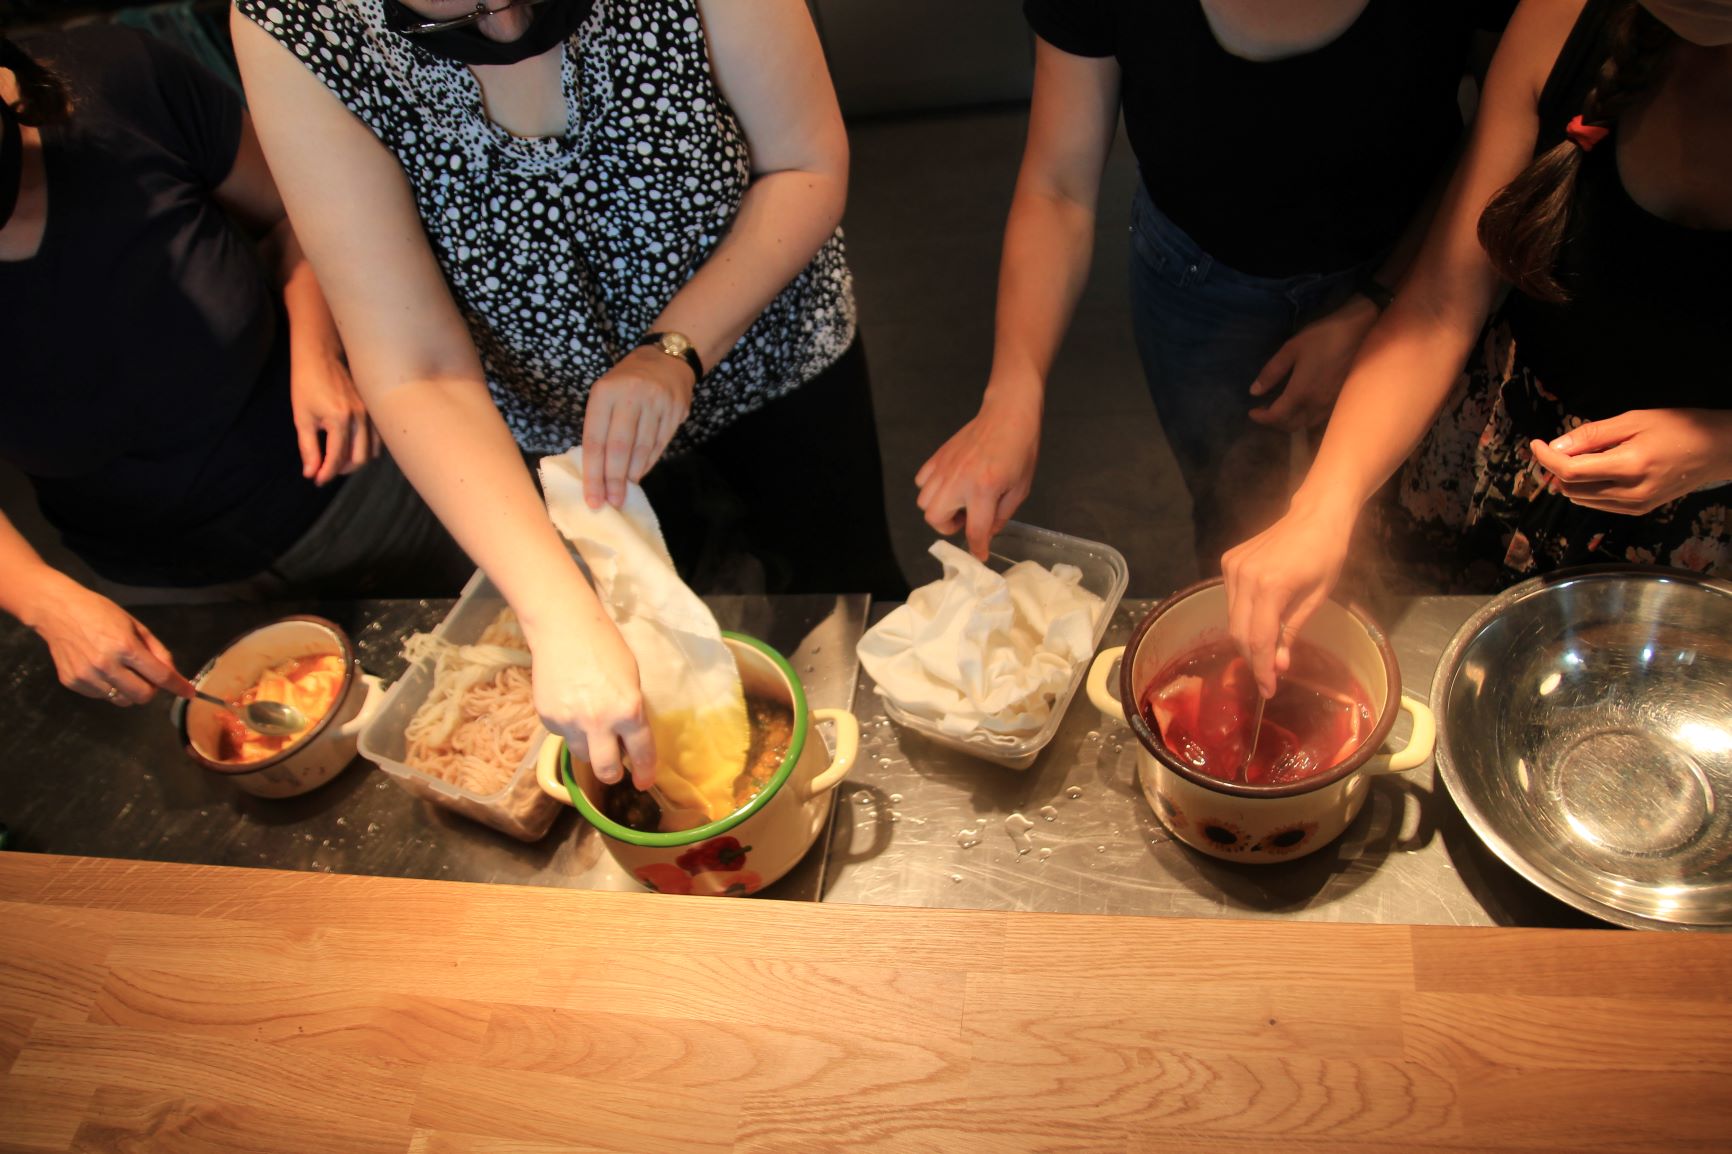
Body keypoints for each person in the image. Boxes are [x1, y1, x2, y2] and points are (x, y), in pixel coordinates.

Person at [231, 0, 904, 789]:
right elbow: (416, 368)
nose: (505, 29)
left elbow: (804, 164)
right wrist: (557, 612)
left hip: (776, 358)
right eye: (463, 15)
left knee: (848, 617)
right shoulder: (297, 22)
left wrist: (675, 349)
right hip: (566, 440)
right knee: (652, 671)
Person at [1224, 0, 1732, 698]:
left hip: (1695, 528)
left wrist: (1718, 447)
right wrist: (1322, 506)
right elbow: (1440, 304)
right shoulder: (1562, 21)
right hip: (1487, 454)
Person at [915, 1, 1501, 569]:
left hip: (1415, 267)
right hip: (1193, 278)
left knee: (1381, 529)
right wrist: (1012, 394)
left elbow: (1502, 140)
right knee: (1230, 516)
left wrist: (1380, 302)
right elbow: (1058, 187)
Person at [0, 26, 471, 709]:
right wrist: (41, 598)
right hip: (164, 586)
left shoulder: (122, 84)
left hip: (350, 486)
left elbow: (295, 215)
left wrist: (318, 349)